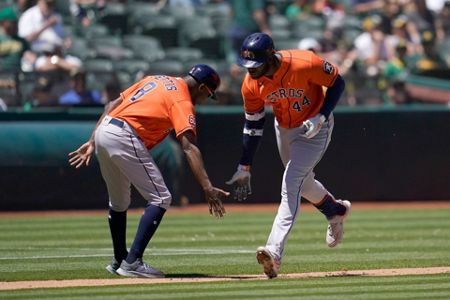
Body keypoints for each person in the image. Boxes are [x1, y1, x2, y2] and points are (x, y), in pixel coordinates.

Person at [69, 64, 229, 278]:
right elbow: (189, 146)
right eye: (208, 95)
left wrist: (92, 140)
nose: (204, 100)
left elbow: (111, 104)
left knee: (119, 202)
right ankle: (132, 261)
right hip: (124, 135)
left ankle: (119, 259)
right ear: (201, 87)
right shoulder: (182, 100)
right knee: (161, 197)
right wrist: (207, 187)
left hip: (104, 130)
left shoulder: (156, 79)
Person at [226, 33, 351, 279]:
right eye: (247, 65)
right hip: (284, 128)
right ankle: (334, 209)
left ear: (270, 57)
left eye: (256, 64)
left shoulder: (304, 62)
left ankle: (274, 251)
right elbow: (253, 125)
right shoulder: (250, 84)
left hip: (316, 126)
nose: (250, 70)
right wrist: (245, 164)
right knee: (302, 184)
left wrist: (322, 115)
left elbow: (338, 82)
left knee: (290, 183)